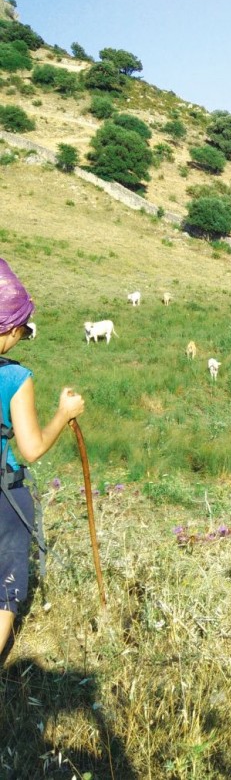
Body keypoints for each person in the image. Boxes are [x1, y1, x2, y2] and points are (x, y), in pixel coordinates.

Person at [0, 258, 85, 665]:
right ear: (11, 328)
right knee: (5, 588)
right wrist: (63, 414)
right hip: (4, 495)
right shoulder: (15, 377)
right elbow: (31, 449)